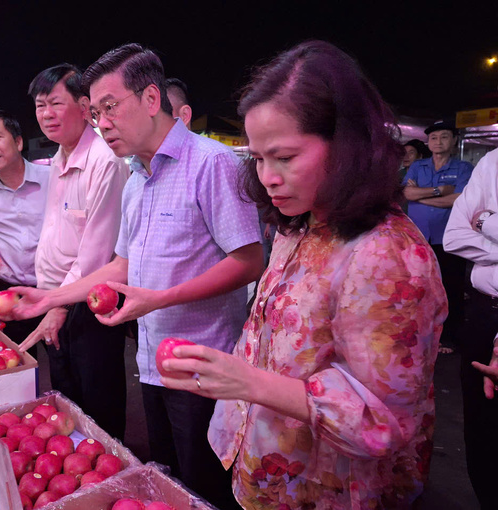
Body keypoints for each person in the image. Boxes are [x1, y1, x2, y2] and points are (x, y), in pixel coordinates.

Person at [160, 41, 447, 509]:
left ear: (348, 147)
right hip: (267, 467)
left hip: (327, 488)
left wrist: (248, 382)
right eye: (257, 158)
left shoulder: (387, 255)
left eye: (285, 157)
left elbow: (384, 423)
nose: (268, 176)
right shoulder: (302, 223)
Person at [11, 43, 263, 509]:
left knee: (205, 485)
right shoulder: (137, 178)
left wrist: (161, 298)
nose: (101, 123)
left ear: (151, 99)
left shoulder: (212, 164)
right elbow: (120, 265)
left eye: (110, 108)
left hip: (203, 365)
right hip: (151, 360)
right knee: (167, 481)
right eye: (96, 113)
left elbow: (249, 260)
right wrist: (51, 300)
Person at [26, 63, 130, 439]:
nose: (47, 114)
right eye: (40, 106)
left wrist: (57, 305)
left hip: (89, 303)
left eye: (55, 103)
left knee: (99, 406)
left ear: (85, 108)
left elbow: (96, 254)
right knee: (68, 403)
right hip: (57, 302)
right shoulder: (57, 159)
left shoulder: (105, 161)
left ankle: (114, 482)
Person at [443, 147, 498, 510]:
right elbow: (453, 237)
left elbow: (469, 228)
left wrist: (486, 223)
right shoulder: (493, 161)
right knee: (482, 426)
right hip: (485, 312)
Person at [0, 109, 50, 348]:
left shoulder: (53, 179)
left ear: (18, 141)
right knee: (18, 365)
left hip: (55, 290)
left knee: (65, 370)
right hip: (10, 294)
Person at [403, 119, 473, 354]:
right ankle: (420, 332)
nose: (438, 141)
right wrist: (438, 192)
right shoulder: (417, 166)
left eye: (444, 136)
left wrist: (419, 197)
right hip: (418, 238)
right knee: (419, 286)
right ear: (428, 143)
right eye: (433, 137)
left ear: (453, 141)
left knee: (450, 287)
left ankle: (450, 336)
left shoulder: (463, 168)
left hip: (449, 239)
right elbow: (406, 192)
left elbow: (458, 199)